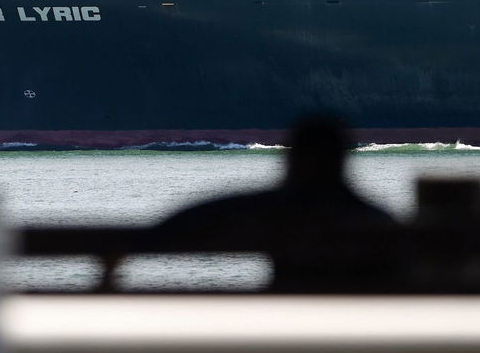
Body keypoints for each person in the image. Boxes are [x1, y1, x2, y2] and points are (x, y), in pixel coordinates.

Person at [153, 115, 402, 293]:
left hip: (284, 326)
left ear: (291, 159)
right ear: (343, 160)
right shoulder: (378, 220)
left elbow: (174, 229)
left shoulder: (265, 210)